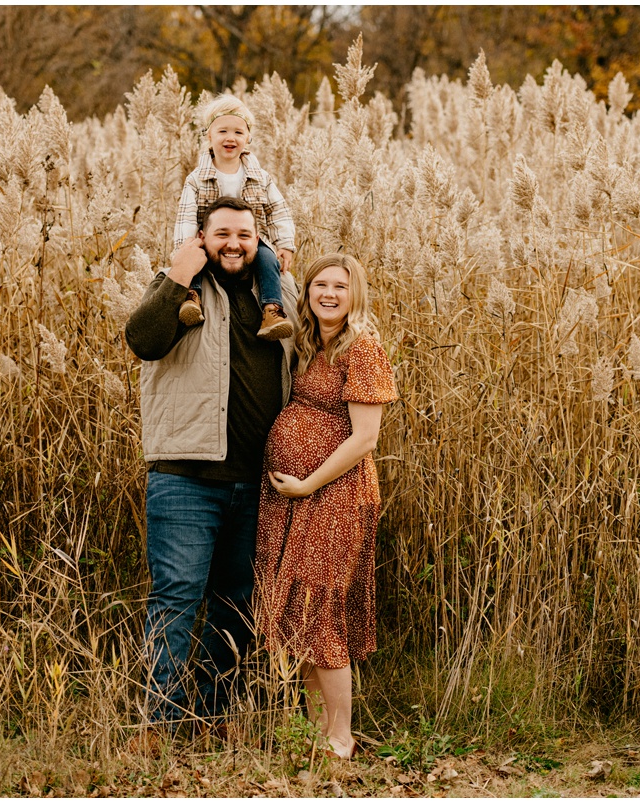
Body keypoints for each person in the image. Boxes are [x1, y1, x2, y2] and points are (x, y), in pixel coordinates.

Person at [125, 196, 299, 748]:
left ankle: (210, 716)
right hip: (185, 477)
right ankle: (159, 723)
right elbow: (142, 341)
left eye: (245, 235)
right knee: (177, 597)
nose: (234, 244)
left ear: (259, 241)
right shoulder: (180, 291)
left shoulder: (278, 296)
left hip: (258, 482)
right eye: (222, 233)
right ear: (201, 238)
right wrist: (177, 275)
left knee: (235, 602)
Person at [255, 253, 398, 759]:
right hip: (296, 497)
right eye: (320, 285)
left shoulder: (361, 349)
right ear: (306, 292)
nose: (329, 294)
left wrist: (308, 484)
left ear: (355, 293)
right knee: (303, 612)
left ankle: (340, 738)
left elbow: (365, 439)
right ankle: (320, 735)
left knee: (322, 615)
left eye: (340, 286)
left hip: (334, 496)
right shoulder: (313, 343)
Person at [173, 94, 295, 341]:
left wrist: (285, 245)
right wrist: (184, 248)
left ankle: (271, 309)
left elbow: (278, 210)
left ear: (248, 138)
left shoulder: (260, 177)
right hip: (210, 240)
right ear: (209, 136)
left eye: (239, 132)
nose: (231, 138)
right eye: (223, 131)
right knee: (195, 255)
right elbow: (186, 216)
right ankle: (192, 297)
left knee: (267, 258)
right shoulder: (197, 179)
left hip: (250, 241)